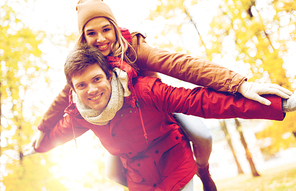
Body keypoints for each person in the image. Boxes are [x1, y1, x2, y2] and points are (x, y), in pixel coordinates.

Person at [33, 0, 292, 190]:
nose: (100, 39)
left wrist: (238, 84)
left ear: (114, 27)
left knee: (201, 133)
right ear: (83, 38)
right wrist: (42, 129)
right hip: (118, 128)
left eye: (105, 29)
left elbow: (182, 65)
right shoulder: (85, 68)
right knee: (111, 172)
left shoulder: (134, 49)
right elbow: (63, 98)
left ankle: (202, 168)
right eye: (91, 33)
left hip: (156, 103)